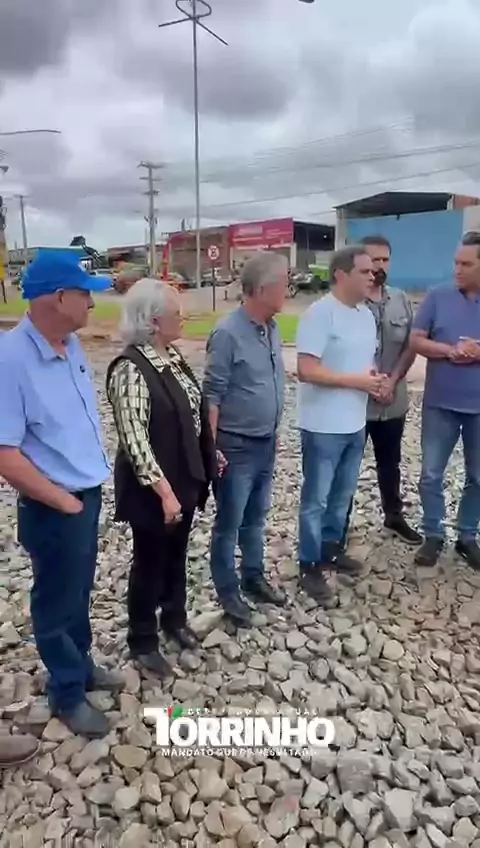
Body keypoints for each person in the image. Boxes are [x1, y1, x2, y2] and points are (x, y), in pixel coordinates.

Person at [0, 249, 124, 740]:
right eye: (84, 294)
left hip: (84, 495)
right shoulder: (11, 359)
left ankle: (82, 665)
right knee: (55, 600)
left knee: (79, 591)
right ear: (58, 297)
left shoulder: (70, 345)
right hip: (55, 505)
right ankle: (67, 693)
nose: (92, 303)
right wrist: (63, 501)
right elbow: (5, 453)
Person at [106, 280, 217, 675]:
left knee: (176, 555)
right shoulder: (130, 369)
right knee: (149, 561)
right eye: (177, 313)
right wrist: (165, 493)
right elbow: (134, 439)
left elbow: (190, 414)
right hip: (152, 488)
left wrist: (209, 454)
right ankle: (142, 639)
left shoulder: (172, 357)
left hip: (182, 480)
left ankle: (174, 618)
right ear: (153, 321)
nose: (183, 319)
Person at [203, 252, 287, 627]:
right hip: (235, 447)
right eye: (284, 284)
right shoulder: (226, 334)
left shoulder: (272, 328)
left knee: (256, 518)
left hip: (265, 442)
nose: (288, 290)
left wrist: (273, 430)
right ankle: (228, 593)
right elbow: (212, 396)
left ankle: (253, 577)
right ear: (263, 289)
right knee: (230, 523)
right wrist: (212, 450)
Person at [296, 245, 384, 602]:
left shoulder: (366, 315)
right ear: (341, 274)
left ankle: (331, 549)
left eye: (373, 271)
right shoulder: (320, 314)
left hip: (355, 422)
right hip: (322, 425)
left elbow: (363, 363)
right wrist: (357, 382)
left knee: (342, 496)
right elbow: (306, 370)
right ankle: (308, 563)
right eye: (364, 271)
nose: (372, 276)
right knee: (316, 499)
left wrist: (374, 379)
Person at [342, 235, 421, 546]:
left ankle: (393, 515)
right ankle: (339, 525)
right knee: (347, 467)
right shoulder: (348, 303)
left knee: (390, 463)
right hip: (356, 403)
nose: (379, 266)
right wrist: (370, 382)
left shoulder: (401, 300)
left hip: (393, 401)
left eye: (385, 259)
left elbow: (411, 345)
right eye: (373, 260)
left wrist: (392, 380)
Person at [410, 231, 480, 568]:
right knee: (430, 474)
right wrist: (451, 351)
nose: (458, 269)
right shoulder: (437, 297)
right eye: (456, 263)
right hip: (440, 405)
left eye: (466, 264)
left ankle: (468, 536)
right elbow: (416, 340)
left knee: (478, 477)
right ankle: (433, 534)